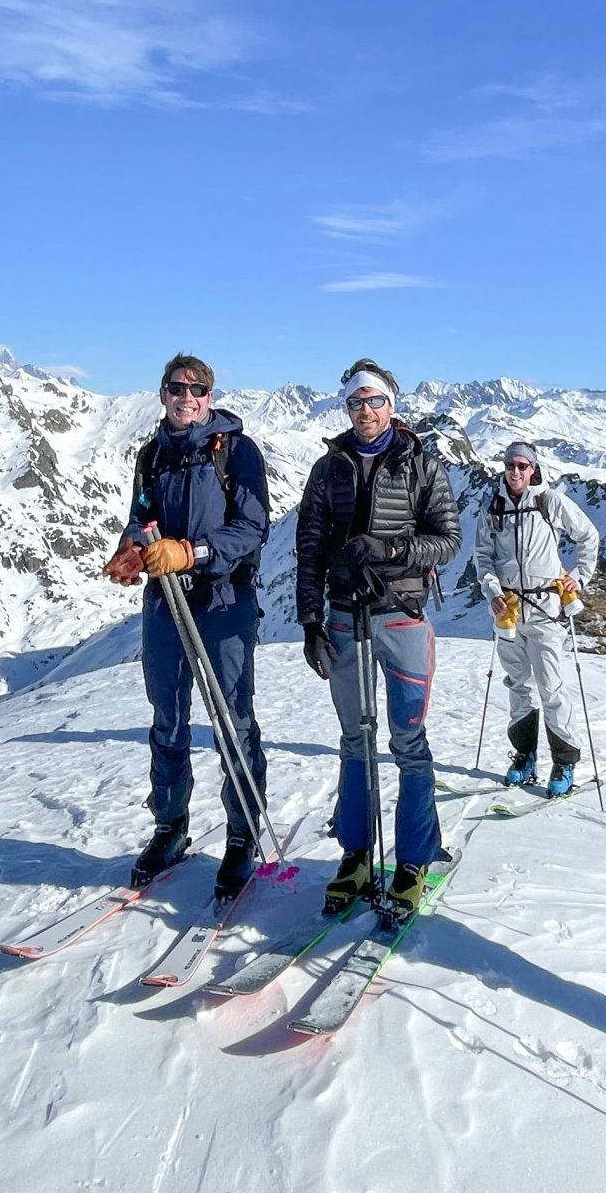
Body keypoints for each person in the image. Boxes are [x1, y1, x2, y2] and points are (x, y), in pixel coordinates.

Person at [103, 353, 272, 902]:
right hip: (164, 602)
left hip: (223, 599)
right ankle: (170, 826)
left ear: (210, 396)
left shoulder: (237, 452)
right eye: (177, 388)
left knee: (231, 717)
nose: (186, 397)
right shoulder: (152, 455)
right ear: (163, 394)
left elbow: (251, 528)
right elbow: (142, 512)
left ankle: (242, 833)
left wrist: (190, 552)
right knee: (168, 717)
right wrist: (133, 548)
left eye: (196, 389)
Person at [295, 359, 461, 915]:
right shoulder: (329, 468)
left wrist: (391, 550)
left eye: (373, 401)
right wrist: (310, 623)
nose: (364, 411)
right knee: (354, 740)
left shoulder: (421, 464)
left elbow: (448, 540)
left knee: (408, 741)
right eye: (355, 403)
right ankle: (357, 855)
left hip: (402, 614)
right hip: (344, 617)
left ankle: (413, 858)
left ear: (392, 404)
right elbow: (310, 550)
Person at [472, 440, 600, 795]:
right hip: (509, 610)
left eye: (523, 466)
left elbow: (588, 535)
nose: (516, 472)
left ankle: (564, 762)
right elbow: (482, 556)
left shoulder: (550, 502)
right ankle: (524, 756)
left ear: (533, 469)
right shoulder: (492, 507)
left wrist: (581, 576)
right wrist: (492, 590)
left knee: (551, 688)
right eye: (511, 465)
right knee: (518, 686)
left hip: (546, 609)